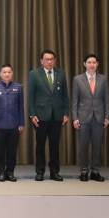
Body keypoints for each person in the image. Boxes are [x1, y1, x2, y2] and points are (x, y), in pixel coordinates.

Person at [28, 49, 69, 181]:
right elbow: (31, 96)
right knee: (40, 145)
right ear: (41, 61)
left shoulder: (61, 74)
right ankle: (40, 171)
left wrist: (66, 113)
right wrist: (32, 114)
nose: (49, 62)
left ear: (55, 60)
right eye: (47, 59)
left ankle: (54, 172)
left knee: (55, 145)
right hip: (40, 116)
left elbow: (65, 95)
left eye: (52, 59)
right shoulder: (34, 74)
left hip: (57, 116)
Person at [71, 54, 109, 182]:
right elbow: (74, 100)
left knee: (97, 146)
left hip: (99, 118)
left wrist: (107, 116)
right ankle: (84, 171)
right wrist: (75, 118)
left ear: (97, 64)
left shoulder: (103, 79)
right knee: (83, 146)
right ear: (85, 64)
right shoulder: (77, 79)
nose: (92, 64)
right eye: (89, 62)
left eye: (94, 62)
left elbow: (107, 99)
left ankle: (95, 171)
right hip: (83, 118)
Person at [0, 64, 25, 182]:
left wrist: (21, 123)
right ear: (0, 74)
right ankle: (1, 172)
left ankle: (10, 172)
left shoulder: (18, 87)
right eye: (4, 72)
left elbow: (21, 107)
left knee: (12, 151)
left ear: (12, 73)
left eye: (9, 72)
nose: (7, 74)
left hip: (14, 125)